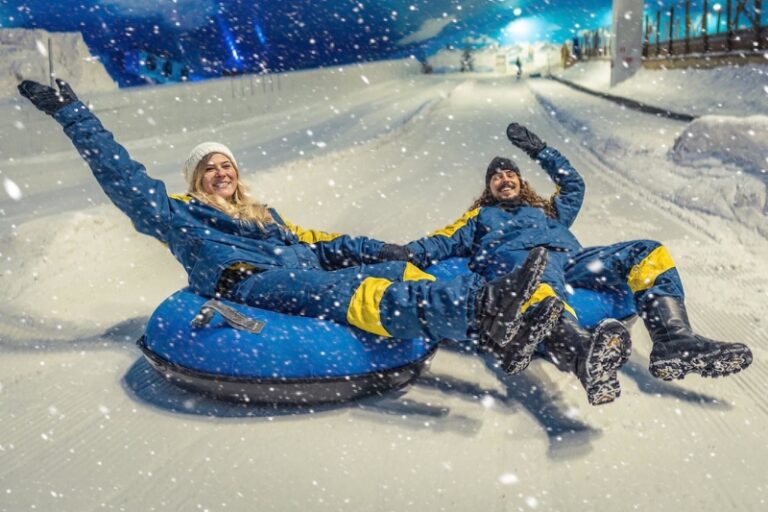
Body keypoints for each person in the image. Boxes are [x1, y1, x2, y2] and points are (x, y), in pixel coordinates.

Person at [17, 79, 557, 375]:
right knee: (347, 288)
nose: (221, 172)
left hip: (290, 268)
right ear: (196, 181)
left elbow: (320, 243)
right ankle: (481, 311)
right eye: (210, 168)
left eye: (226, 164)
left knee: (390, 267)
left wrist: (379, 247)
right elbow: (126, 179)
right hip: (248, 283)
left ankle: (512, 320)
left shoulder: (262, 215)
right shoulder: (178, 216)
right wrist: (75, 116)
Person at [398, 123, 753, 395]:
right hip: (523, 266)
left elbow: (573, 186)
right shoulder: (479, 218)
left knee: (647, 251)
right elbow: (438, 243)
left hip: (575, 262)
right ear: (488, 188)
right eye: (496, 177)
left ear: (521, 182)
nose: (504, 179)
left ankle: (673, 340)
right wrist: (397, 255)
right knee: (537, 280)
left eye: (510, 174)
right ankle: (581, 353)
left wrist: (540, 150)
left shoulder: (545, 210)